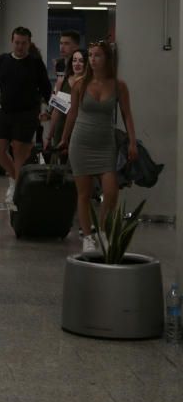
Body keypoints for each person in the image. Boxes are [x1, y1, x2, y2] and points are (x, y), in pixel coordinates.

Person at [58, 41, 138, 252]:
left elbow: (127, 115)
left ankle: (102, 231)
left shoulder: (119, 86)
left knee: (111, 192)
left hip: (105, 145)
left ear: (107, 59)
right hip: (81, 142)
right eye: (90, 56)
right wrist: (63, 138)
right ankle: (88, 237)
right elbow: (72, 113)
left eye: (97, 56)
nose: (92, 60)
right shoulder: (80, 84)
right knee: (83, 193)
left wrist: (132, 141)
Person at [0, 27, 52, 210]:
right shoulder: (3, 60)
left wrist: (49, 109)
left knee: (20, 152)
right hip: (5, 112)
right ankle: (16, 180)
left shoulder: (35, 63)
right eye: (17, 42)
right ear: (12, 42)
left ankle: (18, 196)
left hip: (27, 113)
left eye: (24, 43)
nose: (20, 46)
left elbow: (46, 89)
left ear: (29, 43)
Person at [45, 30, 82, 152]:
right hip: (61, 124)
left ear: (76, 46)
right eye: (61, 43)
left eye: (66, 43)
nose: (62, 47)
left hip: (78, 127)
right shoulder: (61, 68)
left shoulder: (82, 75)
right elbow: (59, 104)